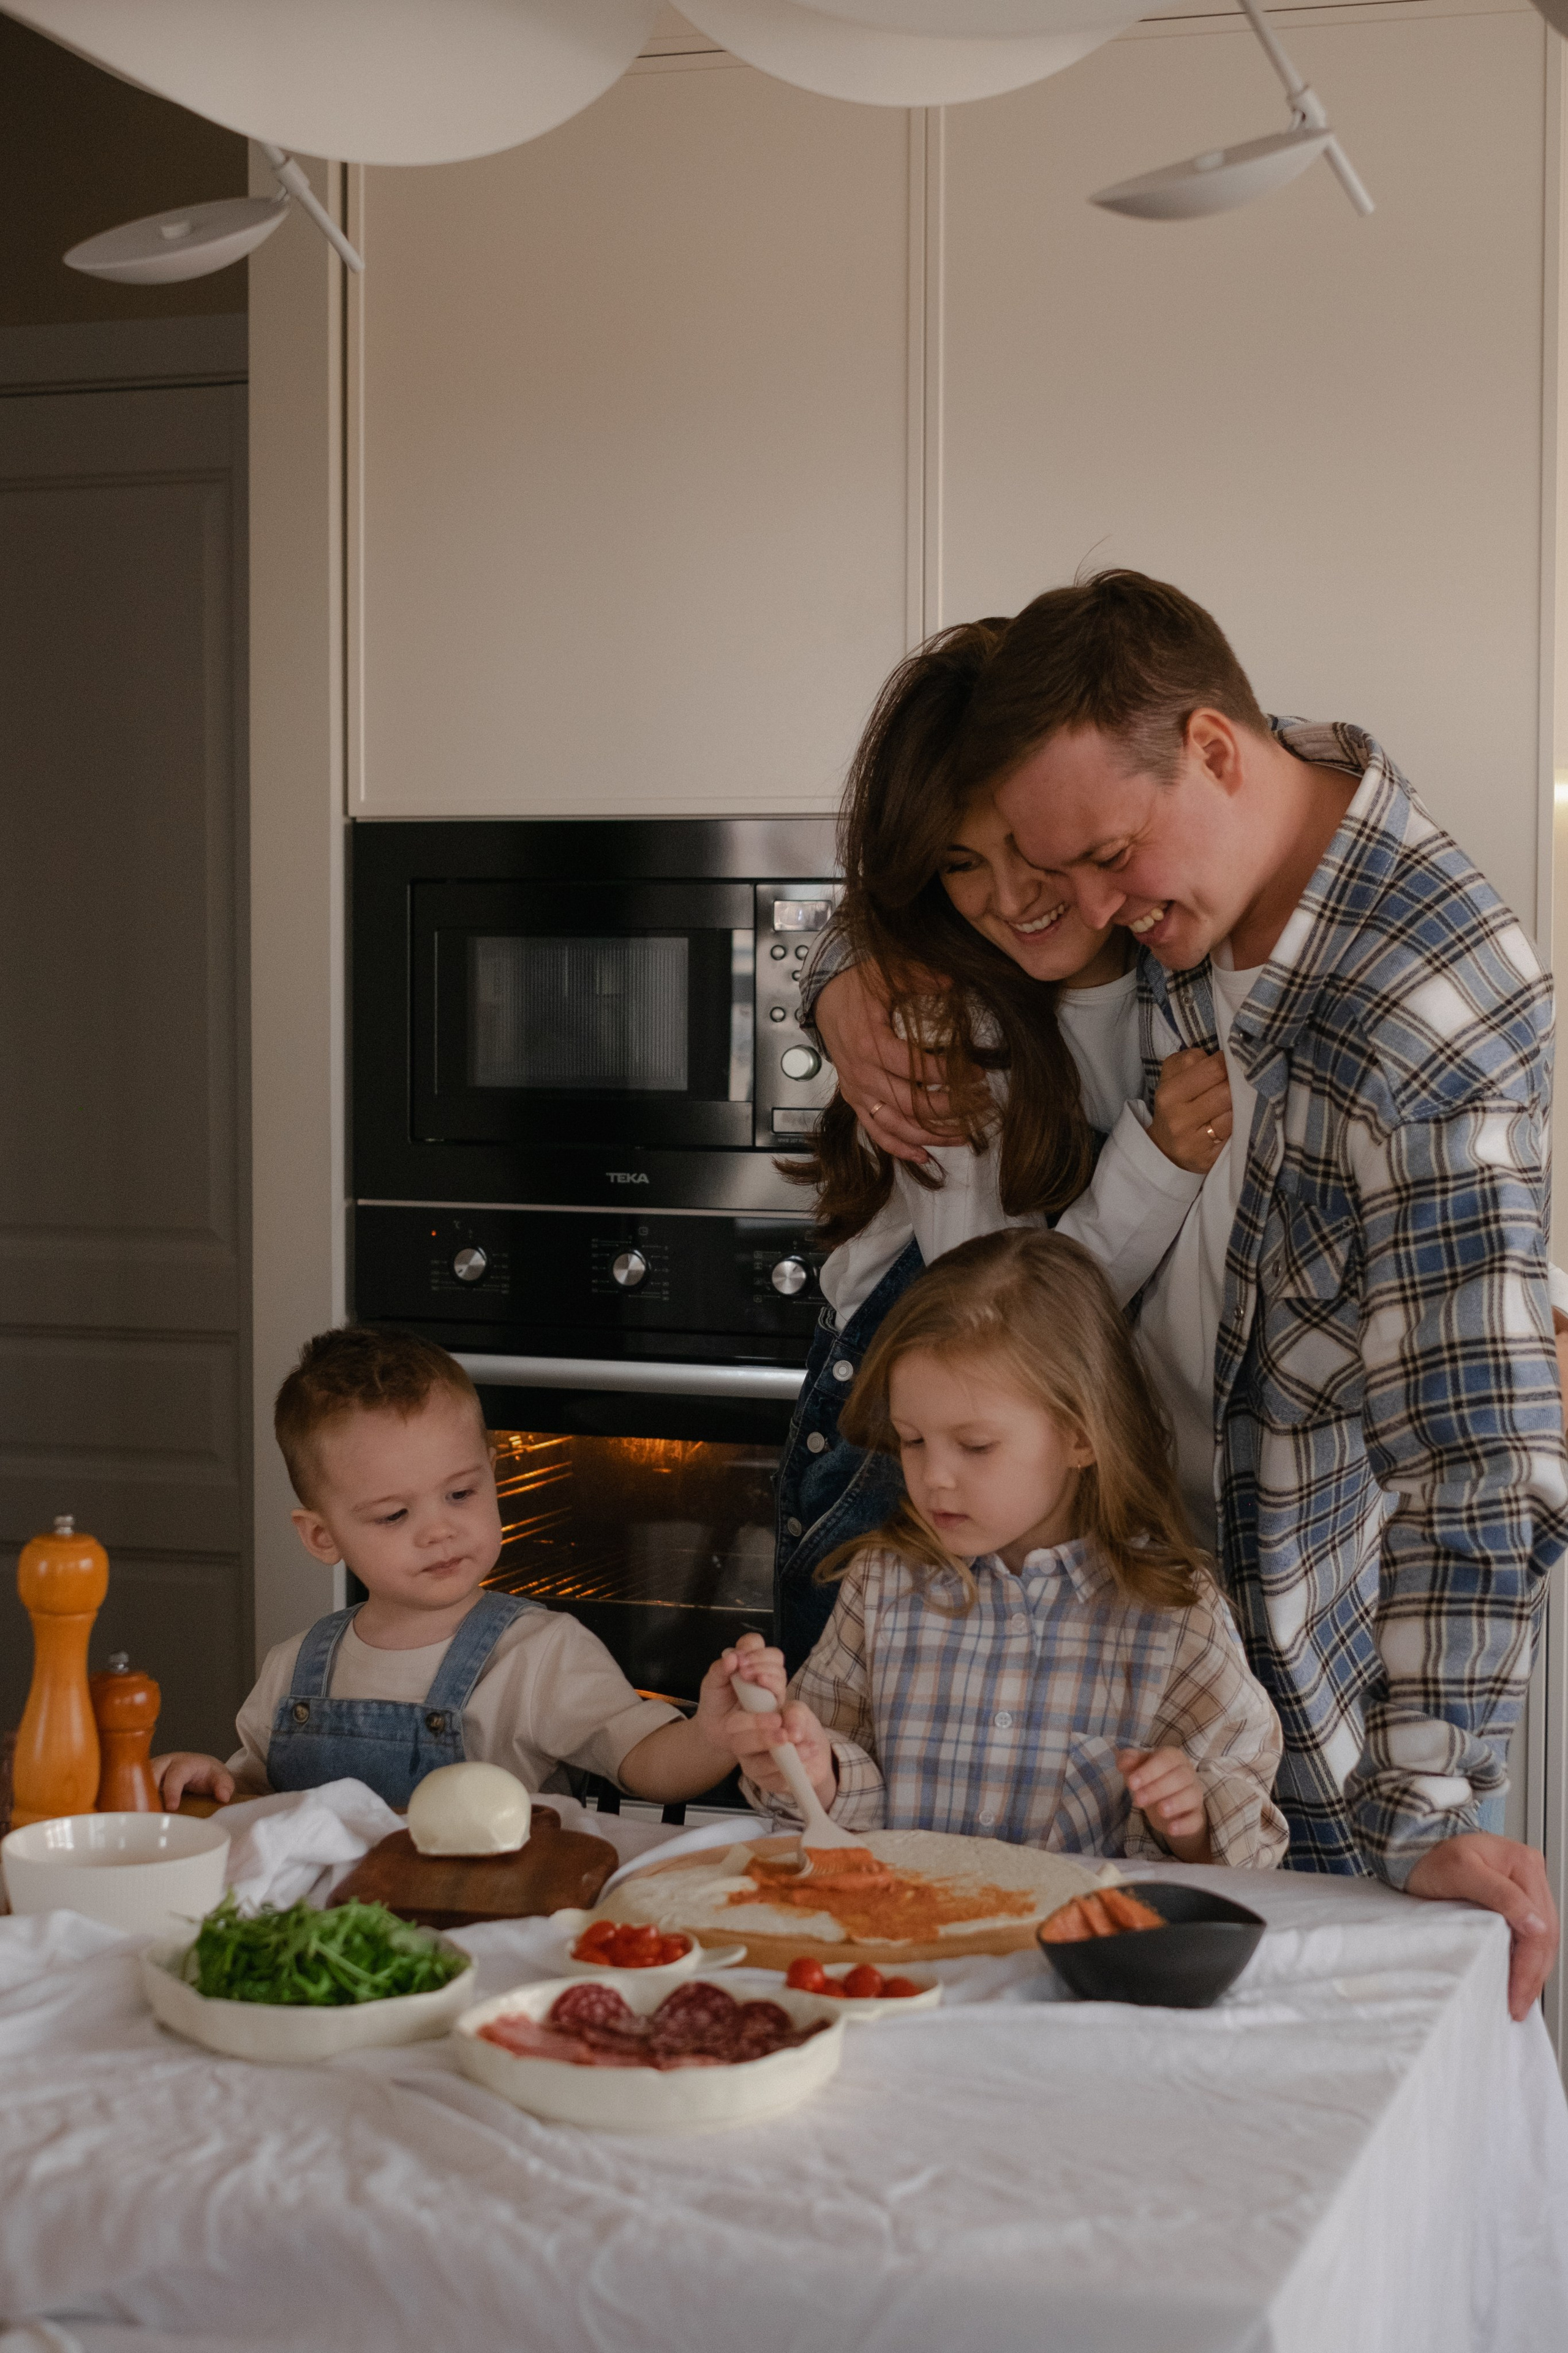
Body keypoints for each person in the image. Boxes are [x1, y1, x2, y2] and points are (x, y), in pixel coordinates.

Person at [810, 572, 1565, 2016]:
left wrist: (1431, 1791)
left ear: (1215, 753)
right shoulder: (1203, 830)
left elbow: (1476, 1453)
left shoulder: (1408, 1018)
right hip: (1113, 1561)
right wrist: (854, 966)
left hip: (1295, 1661)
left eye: (1100, 860)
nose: (1081, 907)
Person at [777, 620, 1231, 1669]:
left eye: (1026, 848)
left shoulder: (1161, 957)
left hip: (1057, 1454)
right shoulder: (941, 1023)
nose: (1009, 897)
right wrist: (1159, 1161)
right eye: (959, 864)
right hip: (909, 1445)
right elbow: (1006, 1305)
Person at [717, 1229, 1286, 1866]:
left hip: (1072, 1957)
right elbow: (824, 1802)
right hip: (906, 1943)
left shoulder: (1174, 1610)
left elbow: (1249, 1835)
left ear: (1080, 1437)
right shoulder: (881, 1583)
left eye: (976, 1445)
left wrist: (1189, 1820)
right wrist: (815, 1769)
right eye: (912, 1440)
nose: (934, 1476)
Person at [154, 1326, 740, 1810]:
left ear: (491, 1472)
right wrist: (210, 1779)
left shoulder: (539, 1654)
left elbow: (645, 1766)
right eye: (395, 1513)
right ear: (322, 1535)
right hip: (331, 1940)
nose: (439, 1529)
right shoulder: (294, 1668)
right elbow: (257, 1796)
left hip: (491, 1931)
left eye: (460, 1494)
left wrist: (713, 1736)